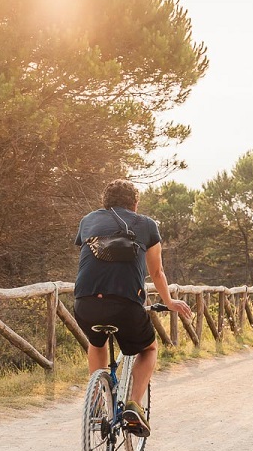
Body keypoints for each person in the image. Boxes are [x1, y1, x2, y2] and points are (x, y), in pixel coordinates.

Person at [73, 179, 192, 436]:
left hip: (84, 302)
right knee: (149, 348)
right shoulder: (147, 225)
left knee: (97, 342)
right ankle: (134, 405)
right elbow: (157, 271)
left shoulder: (88, 221)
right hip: (125, 304)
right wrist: (169, 302)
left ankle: (96, 399)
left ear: (105, 202)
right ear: (135, 203)